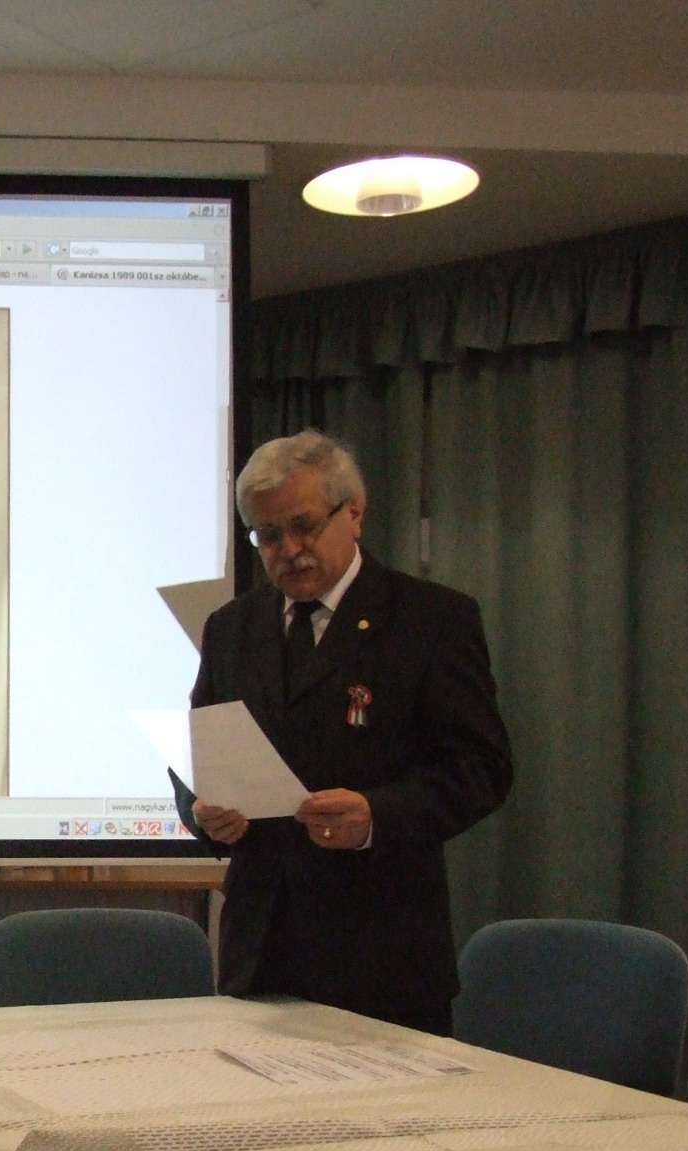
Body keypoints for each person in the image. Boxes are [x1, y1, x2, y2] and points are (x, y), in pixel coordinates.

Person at [186, 430, 513, 1034]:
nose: (290, 550)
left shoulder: (431, 619)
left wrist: (375, 816)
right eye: (268, 536)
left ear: (354, 513)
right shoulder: (232, 628)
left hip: (383, 957)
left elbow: (481, 770)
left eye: (304, 526)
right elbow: (199, 759)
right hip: (260, 956)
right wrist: (202, 813)